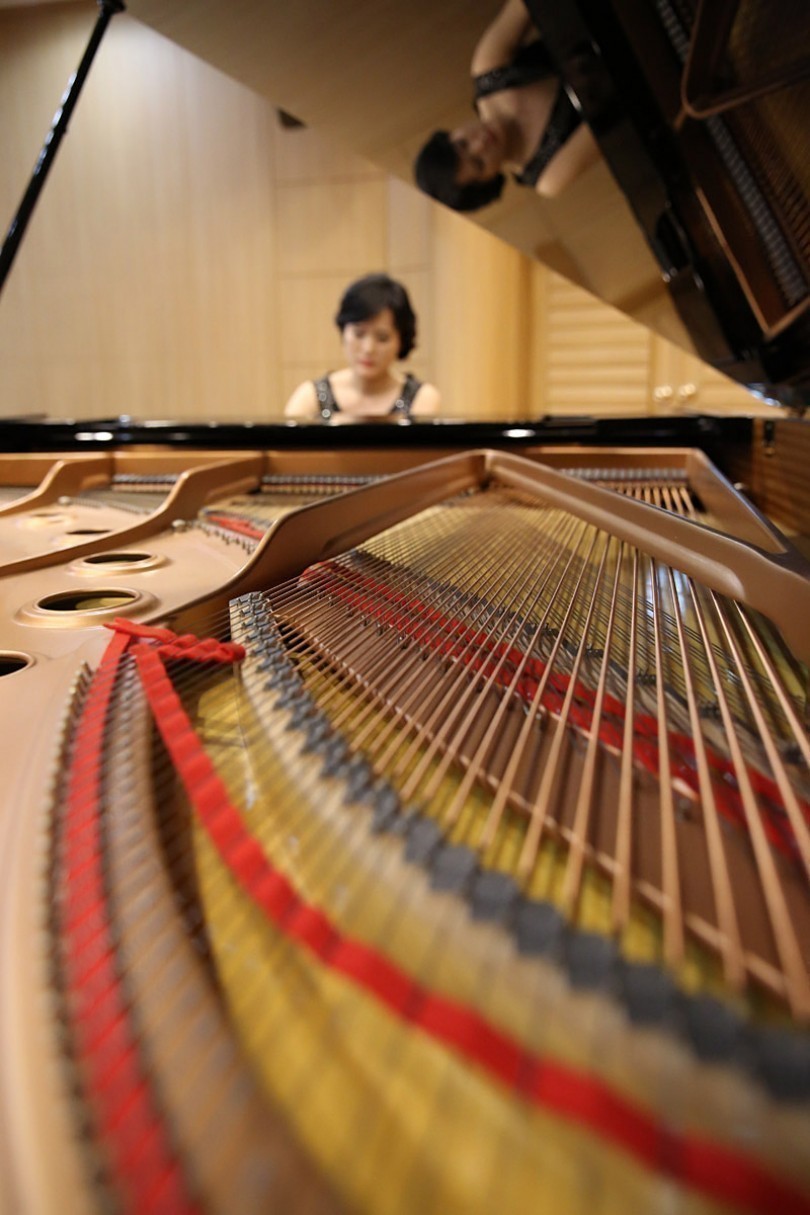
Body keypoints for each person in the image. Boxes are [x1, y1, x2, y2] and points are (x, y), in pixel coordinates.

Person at [414, 0, 599, 212]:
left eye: (463, 144)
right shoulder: (549, 176)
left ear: (452, 134)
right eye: (479, 163)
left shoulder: (489, 69)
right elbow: (617, 117)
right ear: (490, 181)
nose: (481, 144)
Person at [284, 274, 441, 420]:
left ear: (401, 340)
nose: (368, 349)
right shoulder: (311, 397)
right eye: (359, 334)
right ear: (343, 331)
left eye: (382, 338)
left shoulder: (422, 398)